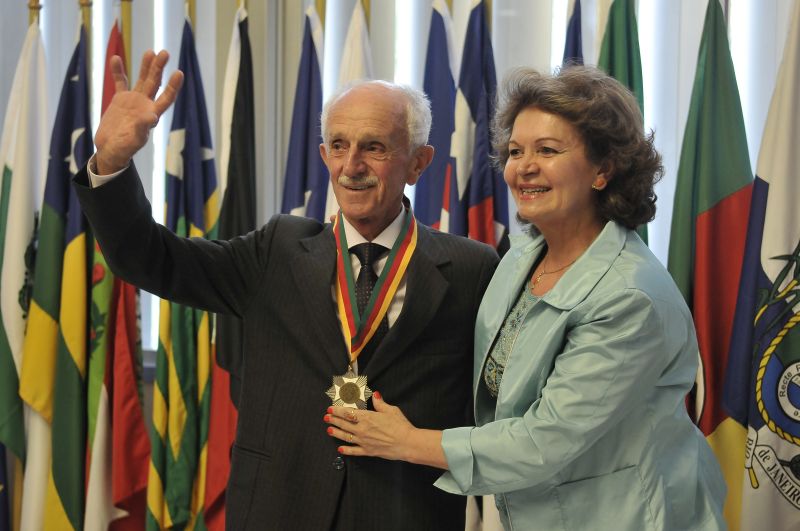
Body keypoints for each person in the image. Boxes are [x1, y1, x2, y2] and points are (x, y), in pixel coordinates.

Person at [74, 50, 499, 530]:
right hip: (279, 509)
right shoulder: (277, 250)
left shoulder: (471, 268)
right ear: (323, 155)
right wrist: (111, 162)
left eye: (374, 147)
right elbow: (152, 259)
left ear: (419, 163)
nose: (352, 165)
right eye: (338, 146)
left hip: (405, 516)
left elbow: (500, 410)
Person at [326, 65, 727, 530]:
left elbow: (544, 441)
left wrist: (406, 441)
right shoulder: (519, 259)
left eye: (548, 150)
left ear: (603, 170)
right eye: (516, 151)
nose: (524, 167)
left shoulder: (630, 297)